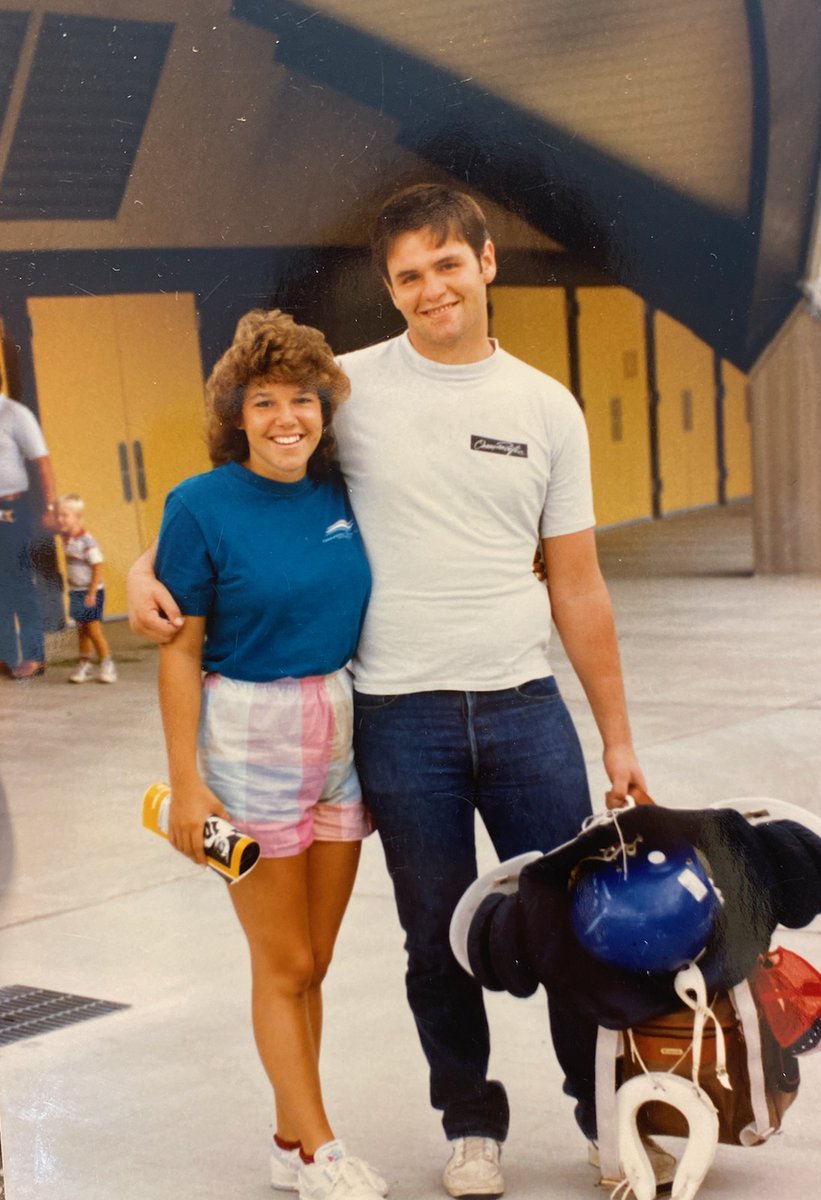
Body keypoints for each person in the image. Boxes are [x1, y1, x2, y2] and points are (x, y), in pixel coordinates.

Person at [129, 184, 646, 1199]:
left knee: (575, 921)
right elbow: (238, 487)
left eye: (447, 265)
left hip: (523, 706)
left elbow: (578, 585)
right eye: (408, 275)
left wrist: (618, 736)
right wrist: (147, 572)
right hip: (397, 718)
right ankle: (470, 1127)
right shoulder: (344, 392)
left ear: (486, 263)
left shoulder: (547, 407)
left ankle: (602, 1118)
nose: (430, 289)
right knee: (437, 935)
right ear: (389, 287)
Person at [153, 310, 386, 1200]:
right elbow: (178, 647)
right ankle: (323, 1152)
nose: (286, 418)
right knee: (281, 964)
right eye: (264, 402)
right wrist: (186, 786)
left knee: (313, 963)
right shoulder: (198, 504)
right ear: (236, 416)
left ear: (324, 410)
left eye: (302, 400)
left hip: (338, 727)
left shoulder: (341, 492)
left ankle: (292, 1140)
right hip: (245, 742)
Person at [0, 387, 58, 680]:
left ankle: (34, 656)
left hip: (12, 509)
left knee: (20, 580)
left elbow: (41, 462)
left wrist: (49, 508)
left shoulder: (15, 414)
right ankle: (5, 656)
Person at [55, 493, 117, 684]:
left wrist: (91, 593)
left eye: (65, 515)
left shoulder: (87, 541)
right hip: (76, 591)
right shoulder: (66, 538)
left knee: (94, 630)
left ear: (78, 517)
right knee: (82, 630)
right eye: (59, 515)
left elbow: (98, 566)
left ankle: (107, 664)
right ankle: (85, 664)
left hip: (91, 592)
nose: (60, 519)